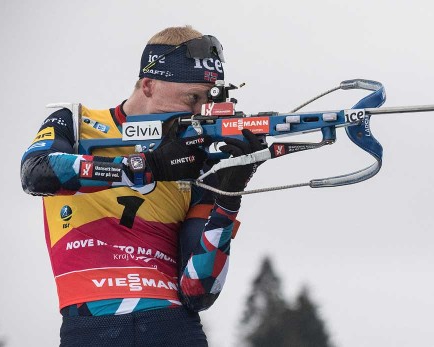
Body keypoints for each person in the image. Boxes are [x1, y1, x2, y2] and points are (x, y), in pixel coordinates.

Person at [20, 25, 263, 346]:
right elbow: (36, 172)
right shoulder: (77, 123)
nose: (199, 112)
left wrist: (229, 198)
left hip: (172, 326)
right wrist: (144, 167)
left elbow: (199, 291)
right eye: (192, 98)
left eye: (208, 101)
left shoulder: (198, 162)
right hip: (90, 327)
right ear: (148, 85)